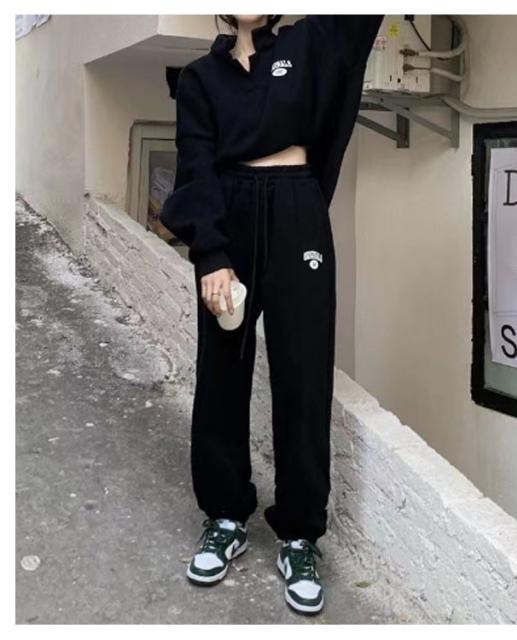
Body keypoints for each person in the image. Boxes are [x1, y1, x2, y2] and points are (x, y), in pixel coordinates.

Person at [160, 13, 384, 616]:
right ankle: (225, 516)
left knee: (304, 376)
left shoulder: (309, 45)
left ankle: (300, 535)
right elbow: (195, 167)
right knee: (221, 374)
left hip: (297, 210)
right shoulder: (200, 78)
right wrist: (211, 254)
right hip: (229, 216)